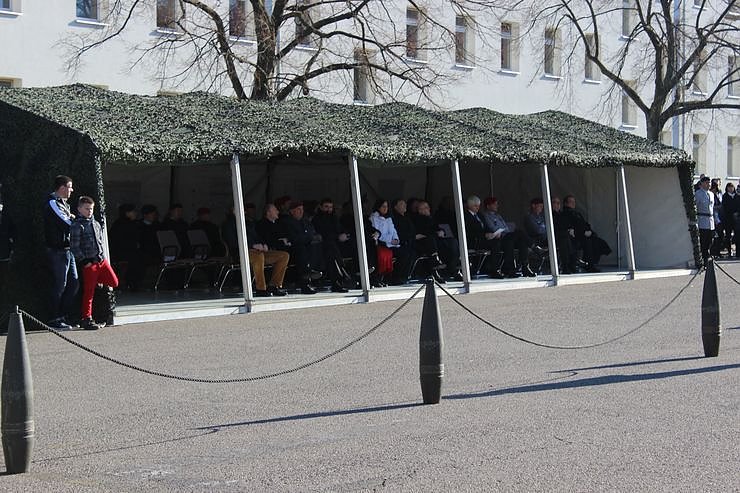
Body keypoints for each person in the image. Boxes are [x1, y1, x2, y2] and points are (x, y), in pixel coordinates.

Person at [69, 196, 119, 330]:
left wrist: (102, 257)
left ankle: (98, 281)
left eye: (91, 209)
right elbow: (74, 247)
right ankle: (86, 318)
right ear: (79, 209)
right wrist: (84, 261)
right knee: (89, 292)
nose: (89, 211)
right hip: (89, 263)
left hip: (100, 260)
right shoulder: (77, 225)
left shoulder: (95, 223)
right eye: (86, 209)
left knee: (114, 282)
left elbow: (100, 243)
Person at [44, 175, 79, 329]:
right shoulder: (52, 202)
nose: (72, 190)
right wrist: (78, 222)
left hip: (68, 250)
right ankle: (54, 318)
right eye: (70, 187)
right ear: (62, 187)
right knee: (60, 285)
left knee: (74, 283)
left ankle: (64, 315)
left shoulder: (64, 204)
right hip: (57, 250)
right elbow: (66, 222)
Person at [480, 197, 535, 277]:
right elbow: (492, 227)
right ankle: (534, 247)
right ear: (488, 206)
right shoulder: (486, 216)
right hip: (499, 237)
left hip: (507, 236)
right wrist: (504, 230)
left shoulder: (498, 216)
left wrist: (507, 229)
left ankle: (525, 267)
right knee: (519, 233)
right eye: (494, 204)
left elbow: (506, 226)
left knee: (522, 242)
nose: (497, 206)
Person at [561, 195, 611, 272]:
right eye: (571, 202)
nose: (573, 203)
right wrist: (583, 232)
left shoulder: (576, 213)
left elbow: (584, 224)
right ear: (565, 203)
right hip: (576, 236)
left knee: (598, 242)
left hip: (584, 234)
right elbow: (570, 226)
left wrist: (590, 231)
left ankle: (591, 263)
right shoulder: (565, 214)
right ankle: (589, 265)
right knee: (589, 242)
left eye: (574, 202)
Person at [312, 198, 351, 293]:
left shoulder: (334, 218)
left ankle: (353, 274)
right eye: (326, 207)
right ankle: (338, 279)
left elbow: (341, 228)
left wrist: (345, 234)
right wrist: (338, 237)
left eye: (330, 207)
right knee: (331, 251)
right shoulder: (317, 219)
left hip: (337, 244)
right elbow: (323, 234)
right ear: (320, 207)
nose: (329, 209)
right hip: (323, 245)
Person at [245, 218, 289, 297]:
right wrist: (252, 245)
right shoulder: (230, 225)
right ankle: (260, 289)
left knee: (284, 256)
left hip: (258, 251)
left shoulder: (248, 224)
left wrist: (263, 244)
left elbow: (257, 237)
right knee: (259, 257)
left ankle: (274, 286)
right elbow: (233, 242)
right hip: (243, 253)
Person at [369, 199, 400, 284]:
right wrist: (390, 240)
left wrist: (396, 239)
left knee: (406, 253)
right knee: (382, 255)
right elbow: (378, 233)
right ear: (378, 207)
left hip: (391, 243)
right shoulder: (373, 218)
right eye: (383, 206)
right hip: (381, 243)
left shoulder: (389, 219)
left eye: (386, 206)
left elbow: (393, 231)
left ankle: (394, 278)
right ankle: (378, 278)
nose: (385, 208)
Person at [390, 199, 416, 284]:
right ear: (395, 207)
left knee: (412, 252)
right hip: (397, 244)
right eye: (401, 204)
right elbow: (398, 233)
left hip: (408, 243)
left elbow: (412, 231)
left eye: (405, 204)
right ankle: (397, 277)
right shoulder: (393, 219)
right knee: (405, 253)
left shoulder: (407, 218)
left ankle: (405, 276)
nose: (405, 205)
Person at [551, 196, 576, 274]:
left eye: (558, 203)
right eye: (555, 203)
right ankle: (566, 265)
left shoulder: (562, 214)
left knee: (568, 238)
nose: (557, 205)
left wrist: (570, 229)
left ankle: (571, 263)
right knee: (564, 238)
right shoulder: (550, 214)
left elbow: (567, 224)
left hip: (563, 236)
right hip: (552, 237)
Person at [695, 175, 715, 263]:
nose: (708, 184)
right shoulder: (698, 194)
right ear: (702, 183)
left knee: (710, 241)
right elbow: (695, 207)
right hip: (702, 221)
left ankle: (708, 259)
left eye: (709, 183)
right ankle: (704, 260)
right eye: (706, 183)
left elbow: (712, 208)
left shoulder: (711, 194)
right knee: (703, 242)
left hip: (711, 221)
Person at [721, 182, 739, 258]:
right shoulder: (725, 196)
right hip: (728, 219)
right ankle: (729, 251)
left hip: (736, 219)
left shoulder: (737, 196)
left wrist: (737, 213)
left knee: (737, 235)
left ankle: (738, 252)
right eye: (729, 187)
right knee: (728, 236)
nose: (731, 189)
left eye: (732, 187)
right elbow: (724, 207)